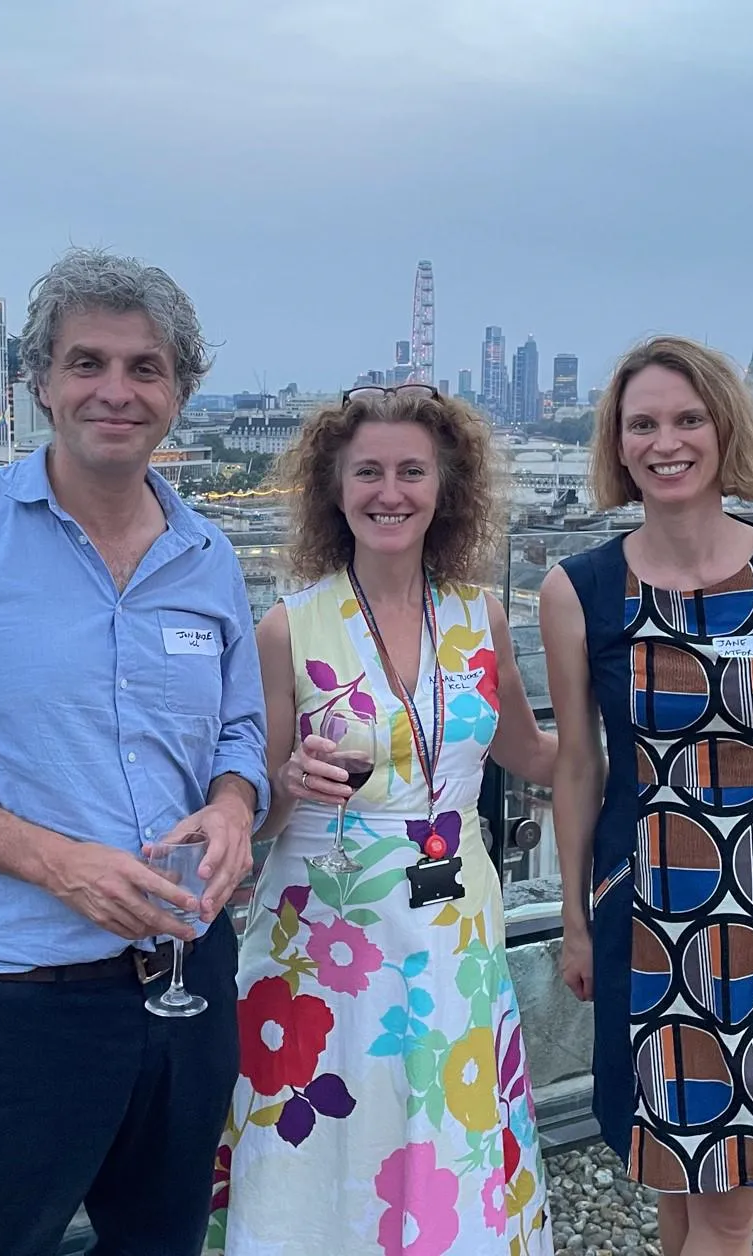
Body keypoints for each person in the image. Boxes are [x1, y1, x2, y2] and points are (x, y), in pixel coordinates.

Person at [0, 247, 270, 1256]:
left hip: (188, 979)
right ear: (38, 383)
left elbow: (240, 732)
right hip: (16, 1003)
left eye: (145, 366)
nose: (116, 389)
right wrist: (59, 863)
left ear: (180, 391)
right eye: (87, 362)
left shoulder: (208, 556)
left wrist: (238, 802)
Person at [539, 336, 753, 1255]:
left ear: (725, 428)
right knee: (674, 1182)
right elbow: (580, 766)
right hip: (650, 916)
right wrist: (577, 921)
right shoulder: (579, 590)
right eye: (643, 423)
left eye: (688, 418)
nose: (667, 442)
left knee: (728, 1207)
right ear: (616, 445)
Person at [209, 384, 558, 1255]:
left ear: (447, 488)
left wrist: (642, 728)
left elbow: (532, 753)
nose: (389, 491)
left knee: (447, 1132)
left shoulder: (483, 616)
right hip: (327, 933)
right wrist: (285, 779)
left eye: (411, 471)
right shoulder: (288, 628)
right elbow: (254, 813)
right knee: (328, 1140)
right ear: (335, 487)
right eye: (368, 471)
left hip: (454, 929)